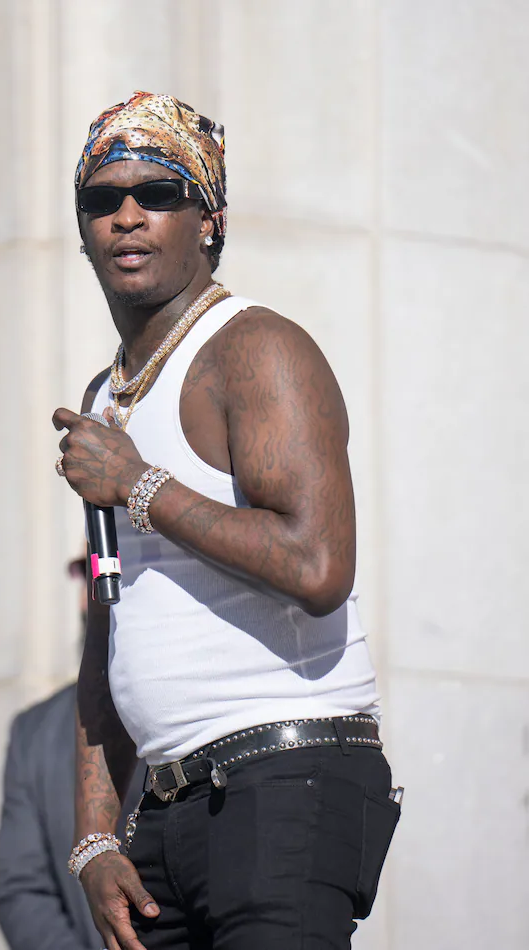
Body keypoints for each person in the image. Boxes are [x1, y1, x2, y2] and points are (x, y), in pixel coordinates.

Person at [53, 91, 400, 950]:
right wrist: (94, 836)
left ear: (208, 221)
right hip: (166, 806)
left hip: (287, 776)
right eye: (103, 200)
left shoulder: (256, 349)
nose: (127, 217)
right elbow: (109, 616)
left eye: (158, 194)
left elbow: (319, 567)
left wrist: (141, 485)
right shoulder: (105, 398)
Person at [0, 556, 146, 950]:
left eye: (110, 563)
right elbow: (22, 889)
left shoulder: (206, 712)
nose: (95, 585)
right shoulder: (35, 732)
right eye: (88, 568)